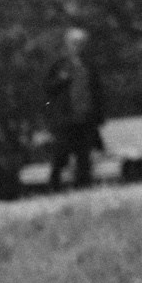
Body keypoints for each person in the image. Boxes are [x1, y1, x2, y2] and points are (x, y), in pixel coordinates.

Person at [41, 27, 106, 189]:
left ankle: (83, 187)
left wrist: (99, 115)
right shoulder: (59, 64)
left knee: (84, 155)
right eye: (75, 43)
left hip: (85, 116)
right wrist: (61, 80)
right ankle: (54, 186)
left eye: (82, 43)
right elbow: (47, 89)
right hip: (65, 118)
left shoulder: (89, 65)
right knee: (61, 154)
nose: (79, 46)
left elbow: (97, 91)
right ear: (68, 44)